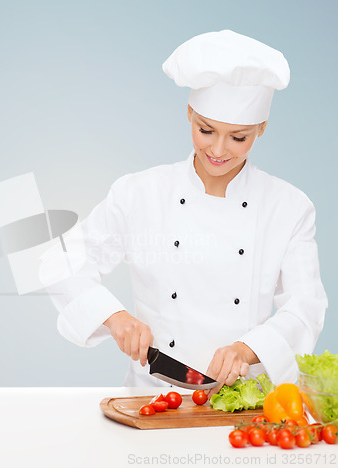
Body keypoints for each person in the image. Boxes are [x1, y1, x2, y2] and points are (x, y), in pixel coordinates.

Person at [46, 30, 328, 391]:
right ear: (190, 113)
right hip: (153, 397)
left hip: (240, 401)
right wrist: (114, 317)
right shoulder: (140, 193)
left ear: (261, 129)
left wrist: (247, 349)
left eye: (238, 137)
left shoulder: (289, 207)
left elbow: (306, 307)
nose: (218, 150)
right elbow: (62, 262)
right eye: (206, 130)